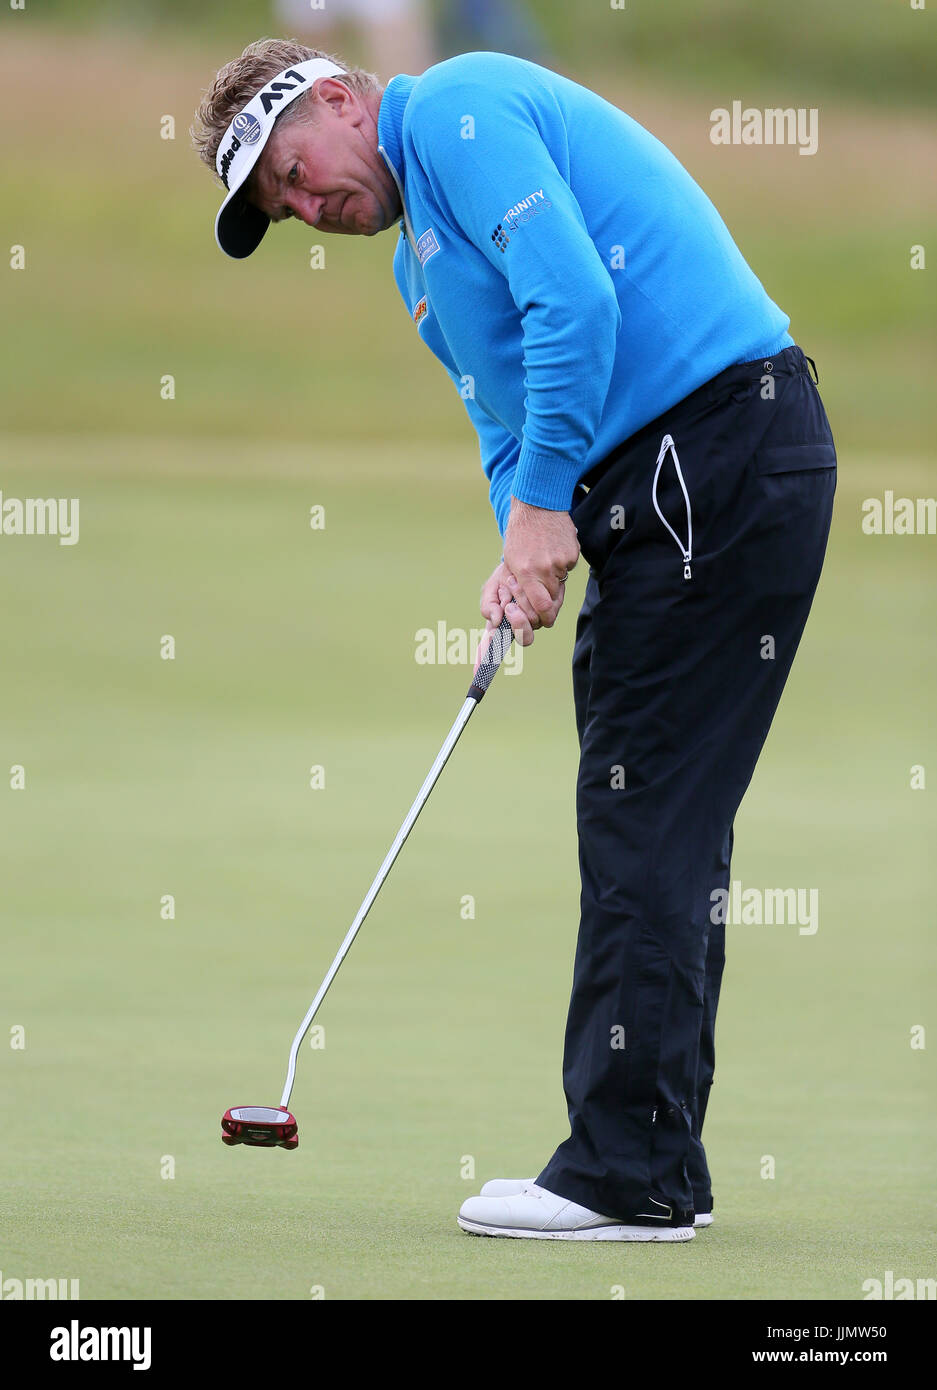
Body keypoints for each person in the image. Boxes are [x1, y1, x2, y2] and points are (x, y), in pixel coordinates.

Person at [193, 39, 836, 1242]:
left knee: (641, 811)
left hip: (714, 450)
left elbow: (573, 298)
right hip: (675, 481)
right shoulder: (418, 275)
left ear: (339, 101)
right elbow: (506, 423)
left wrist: (547, 509)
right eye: (280, 206)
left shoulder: (458, 110)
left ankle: (619, 1172)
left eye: (292, 172)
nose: (304, 206)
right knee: (654, 815)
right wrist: (517, 548)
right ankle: (657, 1165)